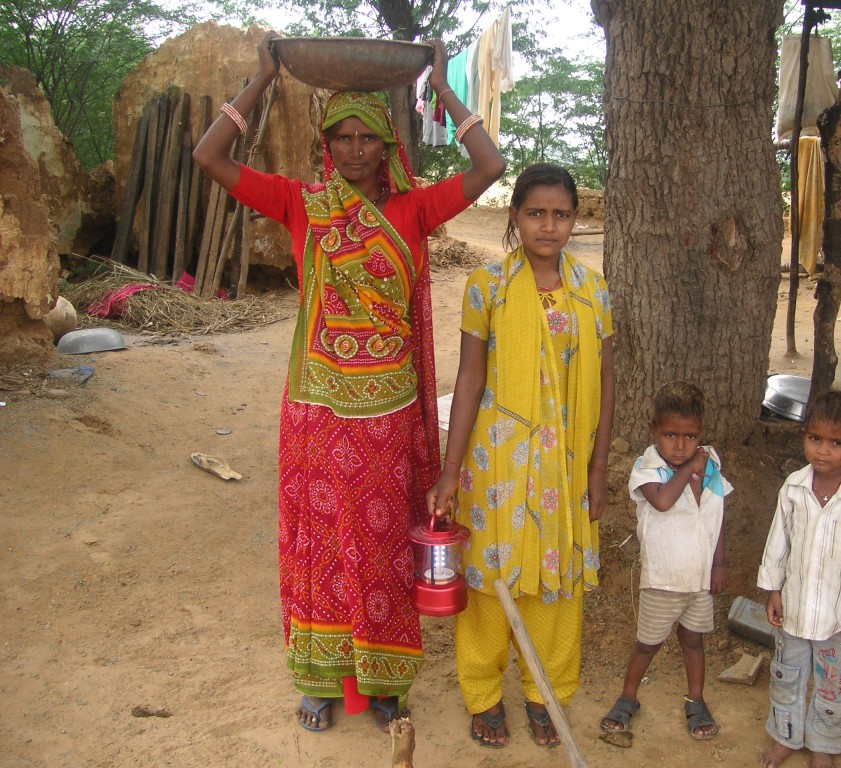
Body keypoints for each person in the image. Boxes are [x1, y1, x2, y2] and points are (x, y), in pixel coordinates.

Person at [193, 32, 505, 733]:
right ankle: (322, 675)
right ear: (326, 145)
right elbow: (208, 157)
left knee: (382, 543)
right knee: (324, 540)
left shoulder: (413, 210)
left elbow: (491, 165)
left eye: (369, 137)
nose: (356, 149)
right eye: (343, 137)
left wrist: (444, 88)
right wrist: (262, 82)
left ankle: (384, 677)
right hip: (317, 408)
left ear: (389, 145)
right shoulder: (301, 204)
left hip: (388, 411)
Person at [425, 163, 614, 749]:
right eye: (536, 213)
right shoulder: (488, 287)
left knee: (556, 585)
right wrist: (450, 471)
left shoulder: (593, 291)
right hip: (497, 464)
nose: (549, 226)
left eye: (561, 215)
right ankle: (483, 694)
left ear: (575, 221)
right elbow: (471, 377)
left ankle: (544, 695)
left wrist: (599, 467)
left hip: (564, 466)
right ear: (515, 218)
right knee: (489, 583)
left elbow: (606, 383)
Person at [757, 390, 841, 768]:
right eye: (815, 439)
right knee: (786, 676)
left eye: (836, 442)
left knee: (832, 685)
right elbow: (777, 543)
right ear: (803, 437)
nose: (823, 451)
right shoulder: (794, 489)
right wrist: (774, 591)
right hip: (794, 610)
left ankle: (824, 747)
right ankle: (785, 737)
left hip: (836, 617)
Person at [600, 382, 731, 742]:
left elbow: (715, 517)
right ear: (652, 431)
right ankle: (628, 697)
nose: (679, 444)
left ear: (700, 433)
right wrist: (691, 465)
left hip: (698, 578)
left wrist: (718, 564)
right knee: (648, 643)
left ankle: (697, 700)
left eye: (690, 437)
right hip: (663, 578)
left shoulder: (711, 471)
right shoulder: (648, 468)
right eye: (670, 434)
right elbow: (662, 502)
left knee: (693, 641)